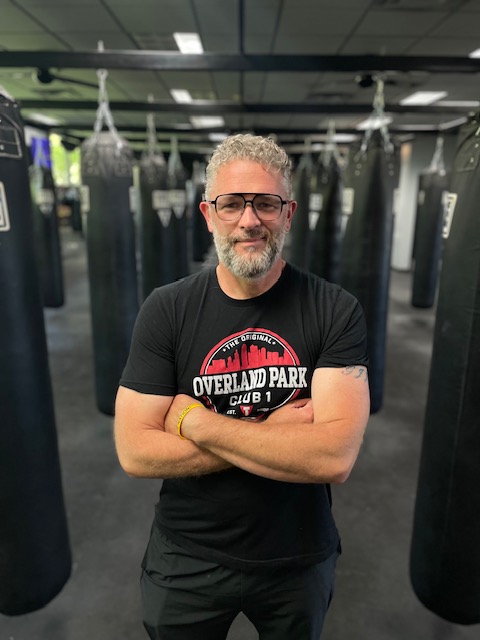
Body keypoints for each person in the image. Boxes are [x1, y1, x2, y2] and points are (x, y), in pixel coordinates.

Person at [114, 133, 370, 640]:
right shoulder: (167, 309)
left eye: (266, 204)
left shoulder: (335, 309)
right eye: (231, 204)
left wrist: (195, 422)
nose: (249, 220)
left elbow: (334, 456)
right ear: (208, 215)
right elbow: (136, 451)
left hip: (297, 556)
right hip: (188, 553)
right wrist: (276, 434)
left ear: (288, 214)